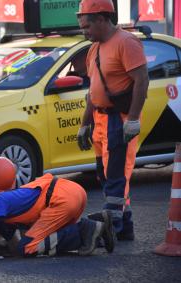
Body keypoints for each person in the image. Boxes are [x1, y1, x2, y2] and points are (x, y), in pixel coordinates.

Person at [76, 0, 149, 240]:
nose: (84, 31)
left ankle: (110, 231)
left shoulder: (126, 43)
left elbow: (142, 80)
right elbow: (92, 91)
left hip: (119, 120)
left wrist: (134, 119)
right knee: (105, 175)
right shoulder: (93, 49)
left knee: (116, 177)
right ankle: (124, 227)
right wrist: (85, 124)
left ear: (101, 18)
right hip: (100, 119)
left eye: (87, 26)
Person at [0, 174, 114, 259]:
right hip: (72, 194)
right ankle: (97, 225)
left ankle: (87, 228)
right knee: (28, 245)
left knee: (28, 249)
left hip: (62, 199)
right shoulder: (1, 221)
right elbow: (14, 248)